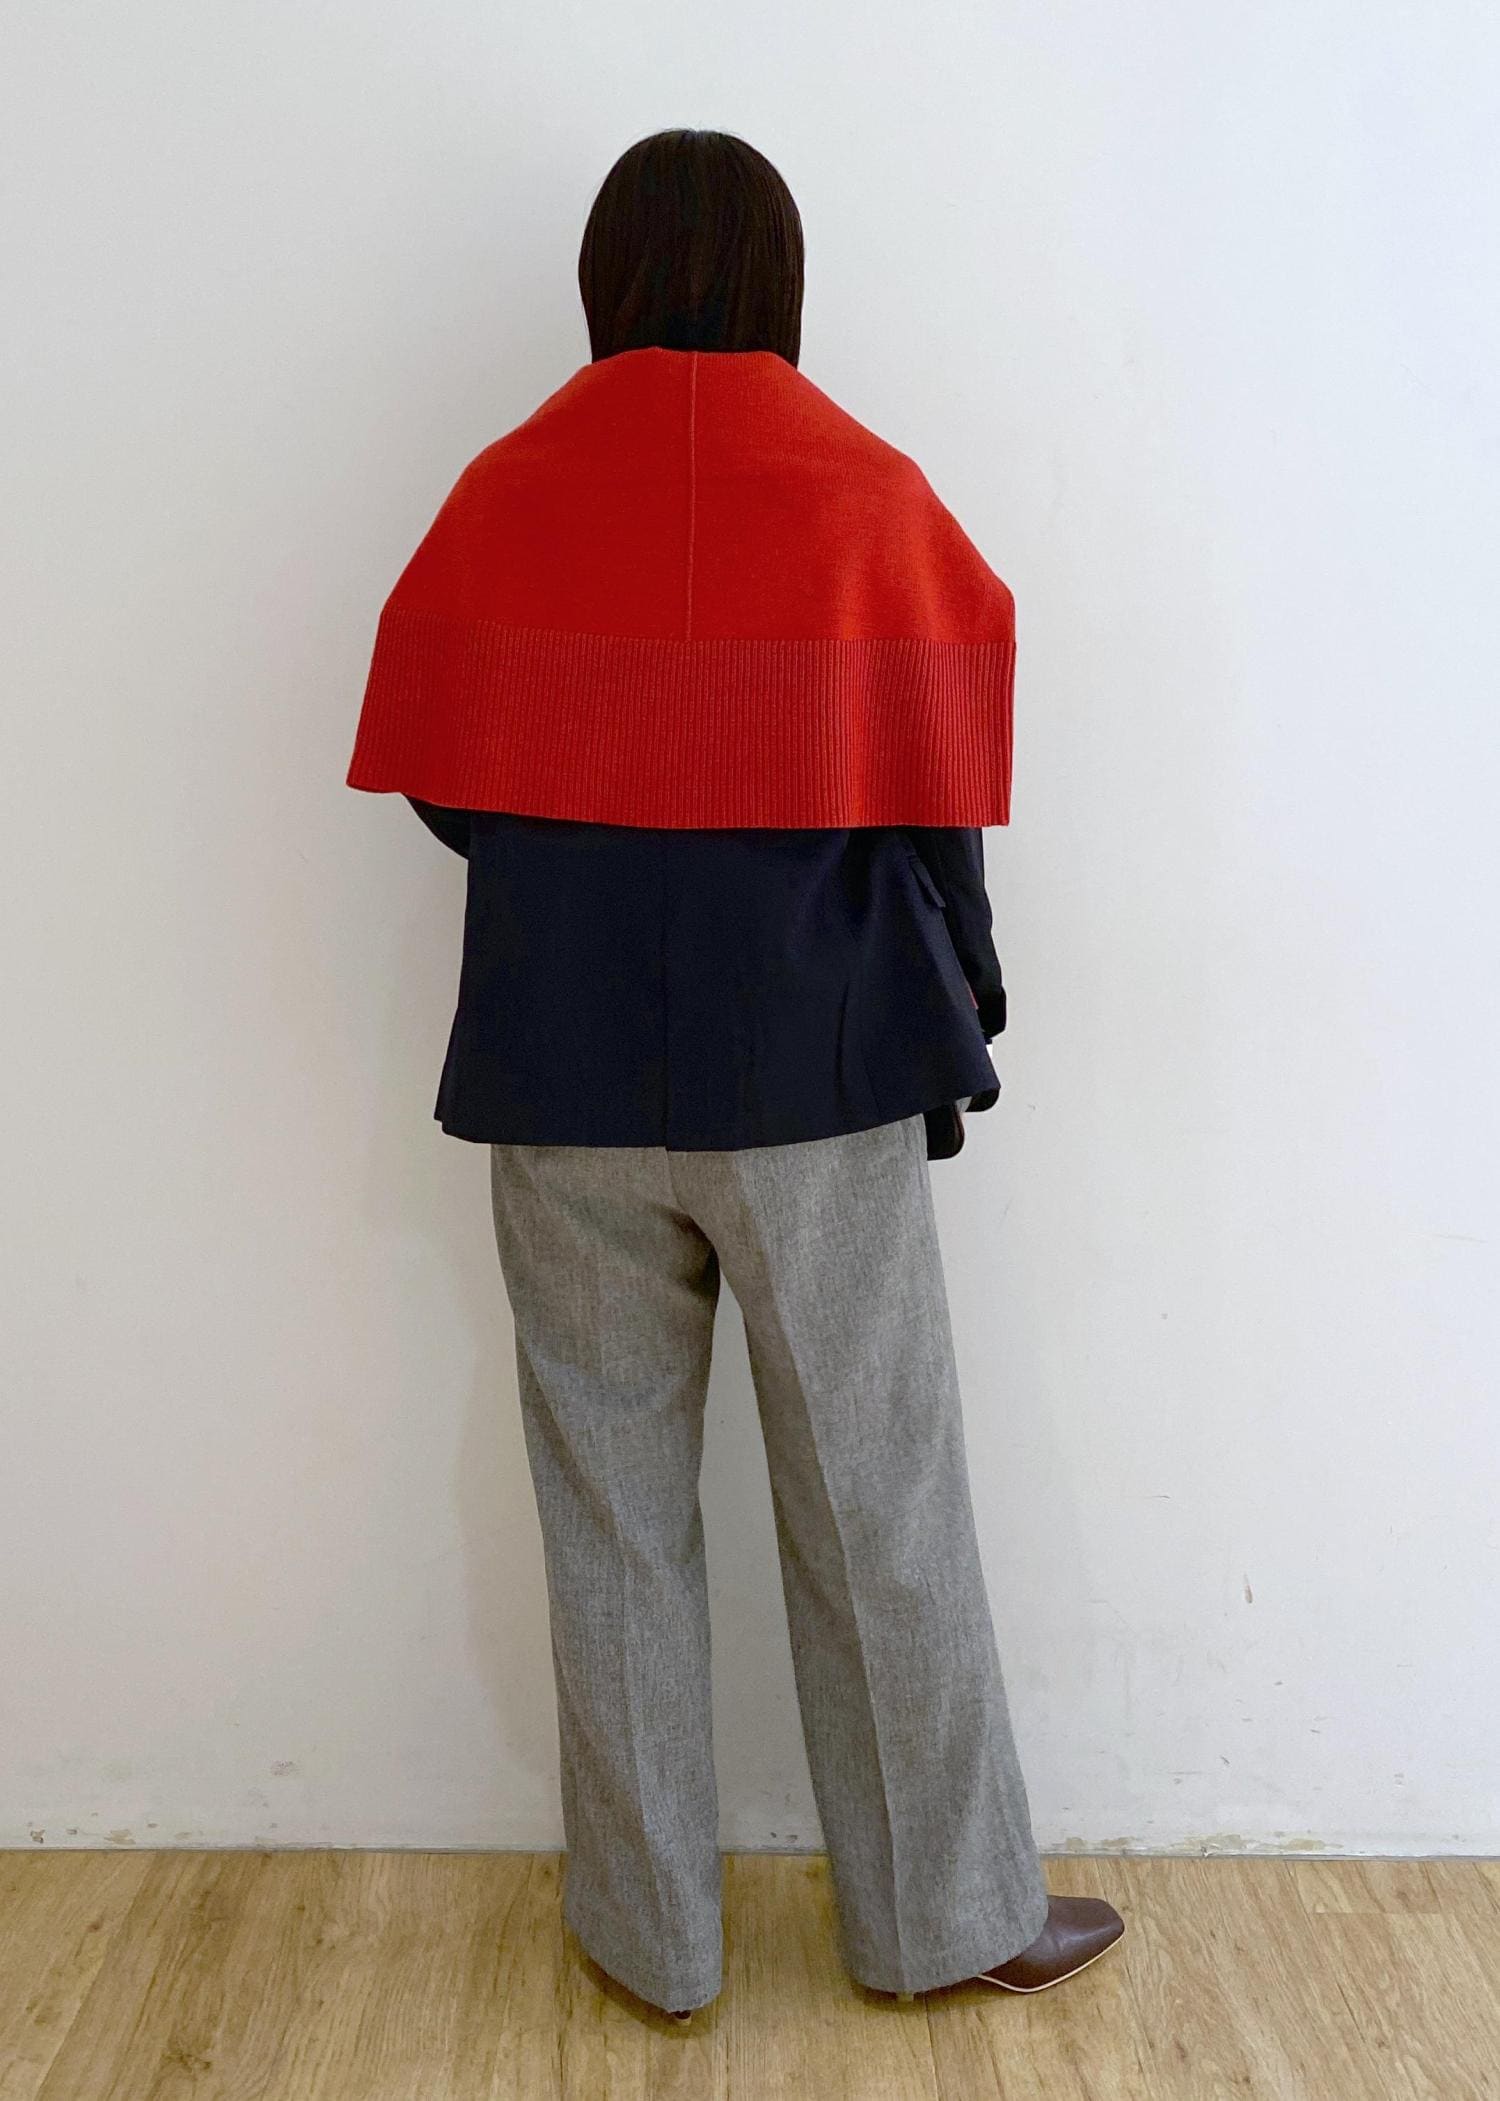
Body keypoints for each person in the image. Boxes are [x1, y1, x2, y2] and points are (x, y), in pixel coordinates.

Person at [347, 127, 1124, 2023]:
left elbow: (449, 774)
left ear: (606, 278)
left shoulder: (504, 488)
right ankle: (943, 1920)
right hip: (818, 1071)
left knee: (608, 1512)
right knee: (880, 1505)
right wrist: (960, 982)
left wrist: (591, 845)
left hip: (560, 1074)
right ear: (780, 277)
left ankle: (651, 1942)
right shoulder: (866, 490)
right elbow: (939, 783)